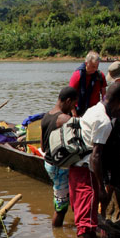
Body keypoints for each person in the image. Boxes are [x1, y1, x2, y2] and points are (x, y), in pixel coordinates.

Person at [68, 80, 120, 238]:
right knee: (85, 224)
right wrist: (101, 186)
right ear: (119, 101)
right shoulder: (104, 121)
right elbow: (96, 156)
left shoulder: (93, 109)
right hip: (86, 171)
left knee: (86, 214)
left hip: (76, 167)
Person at [40, 86, 78, 227]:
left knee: (61, 199)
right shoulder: (63, 118)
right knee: (61, 207)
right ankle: (56, 233)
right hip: (59, 166)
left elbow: (43, 147)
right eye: (73, 104)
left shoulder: (46, 116)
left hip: (49, 163)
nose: (74, 107)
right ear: (68, 101)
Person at [69, 51, 106, 116]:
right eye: (93, 66)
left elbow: (104, 95)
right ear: (86, 63)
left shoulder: (100, 76)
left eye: (97, 66)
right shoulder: (77, 75)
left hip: (94, 111)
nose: (95, 69)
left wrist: (104, 111)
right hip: (79, 110)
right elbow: (69, 96)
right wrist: (74, 115)